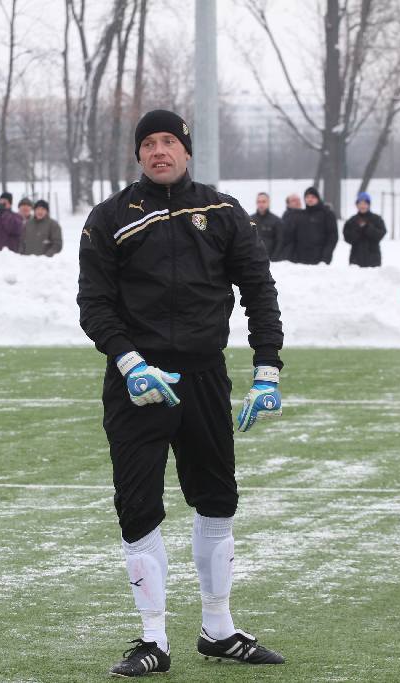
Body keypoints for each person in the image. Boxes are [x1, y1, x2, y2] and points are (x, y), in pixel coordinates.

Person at [77, 109, 286, 676]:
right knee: (138, 504)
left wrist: (267, 368)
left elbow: (259, 290)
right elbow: (93, 304)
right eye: (148, 142)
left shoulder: (222, 211)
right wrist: (129, 361)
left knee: (217, 499)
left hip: (203, 378)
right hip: (136, 382)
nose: (159, 150)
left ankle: (218, 628)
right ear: (137, 154)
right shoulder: (109, 216)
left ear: (186, 150)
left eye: (169, 140)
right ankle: (153, 639)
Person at [290, 186, 337, 265]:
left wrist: (325, 258)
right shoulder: (300, 215)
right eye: (307, 197)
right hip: (301, 261)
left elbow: (332, 237)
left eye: (313, 197)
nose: (310, 199)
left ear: (318, 198)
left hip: (320, 261)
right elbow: (293, 238)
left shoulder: (327, 214)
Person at [342, 192, 387, 268]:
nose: (362, 206)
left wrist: (368, 228)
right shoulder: (351, 221)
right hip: (355, 259)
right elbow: (347, 237)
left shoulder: (376, 219)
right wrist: (358, 230)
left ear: (369, 205)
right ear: (357, 205)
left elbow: (381, 234)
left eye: (365, 203)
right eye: (360, 203)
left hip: (373, 260)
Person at [249, 192, 284, 261]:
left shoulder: (276, 221)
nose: (261, 204)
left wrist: (274, 259)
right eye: (259, 202)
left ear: (268, 203)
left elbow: (280, 242)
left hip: (271, 261)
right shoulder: (249, 220)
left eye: (264, 202)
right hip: (253, 261)